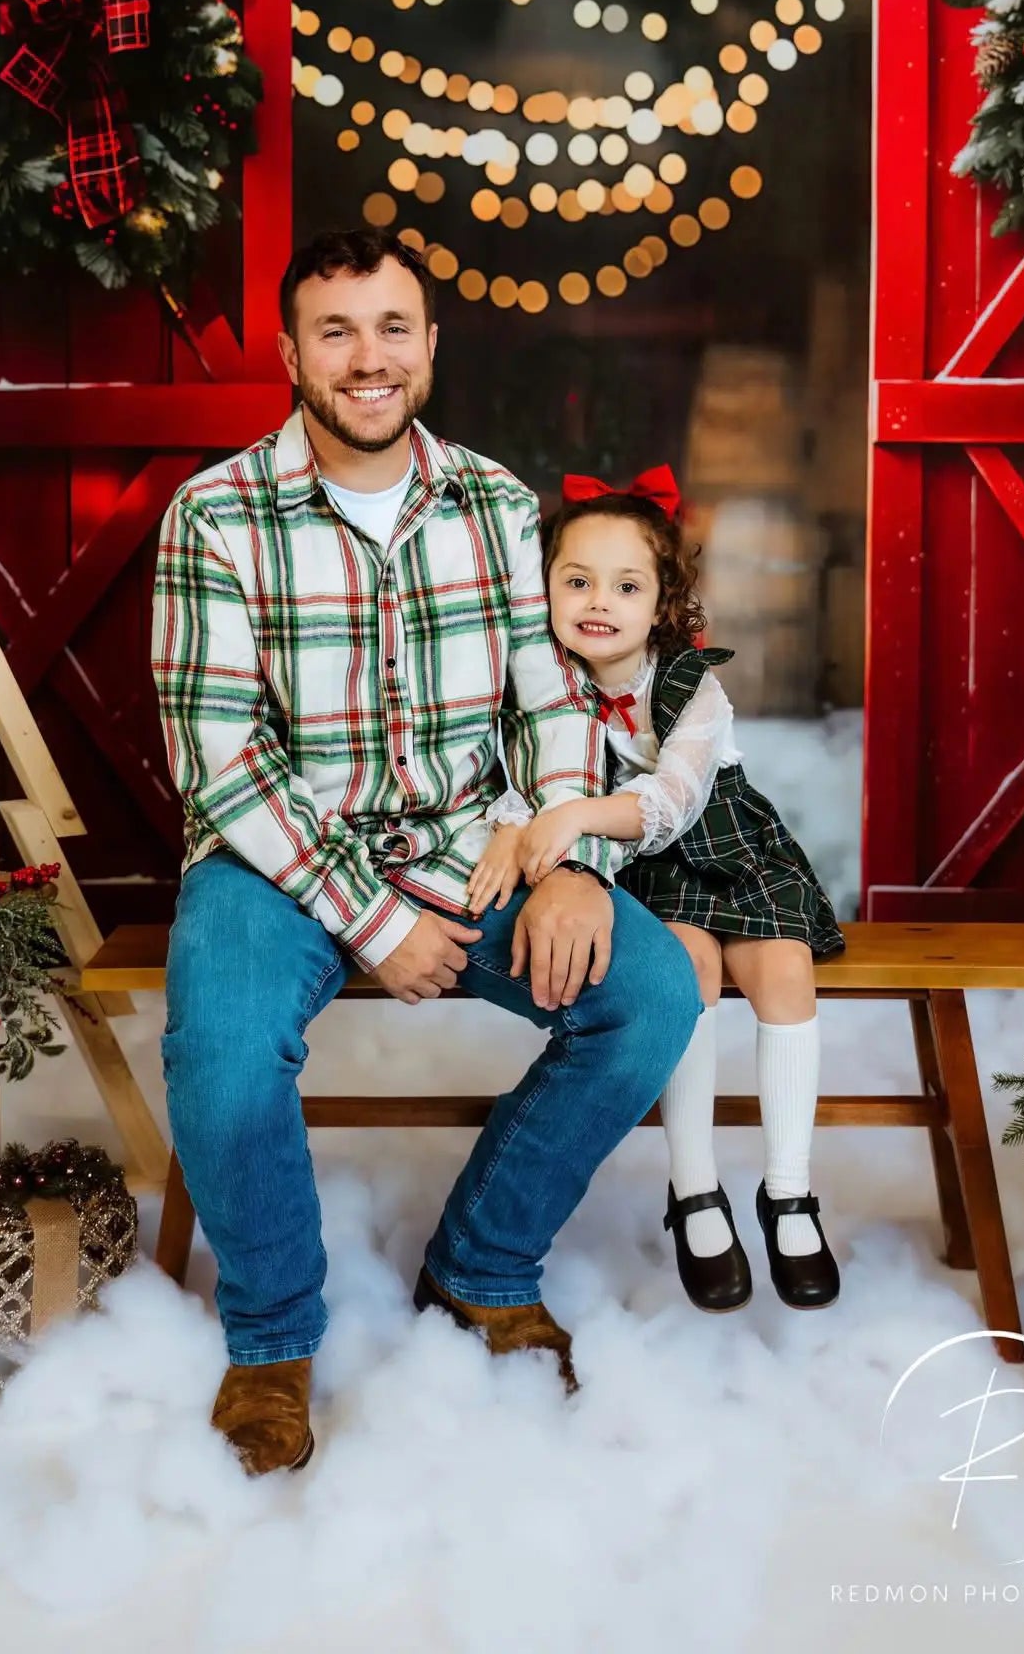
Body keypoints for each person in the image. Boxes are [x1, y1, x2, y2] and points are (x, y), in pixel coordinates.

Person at [151, 231, 701, 1477]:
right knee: (223, 1046)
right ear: (289, 351)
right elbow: (224, 761)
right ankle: (275, 1338)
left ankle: (482, 1266)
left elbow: (552, 707)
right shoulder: (216, 516)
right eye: (336, 330)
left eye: (394, 327)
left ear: (432, 346)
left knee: (654, 993)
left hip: (472, 841)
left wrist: (567, 856)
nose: (368, 358)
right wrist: (376, 924)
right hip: (277, 852)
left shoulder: (498, 506)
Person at [467, 466, 846, 1318]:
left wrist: (573, 814)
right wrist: (512, 820)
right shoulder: (537, 684)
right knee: (684, 976)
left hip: (722, 847)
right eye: (577, 580)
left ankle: (789, 1191)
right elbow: (513, 773)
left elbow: (673, 799)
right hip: (634, 876)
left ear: (662, 603)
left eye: (626, 585)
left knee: (784, 968)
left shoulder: (689, 686)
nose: (600, 600)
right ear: (545, 589)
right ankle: (695, 1189)